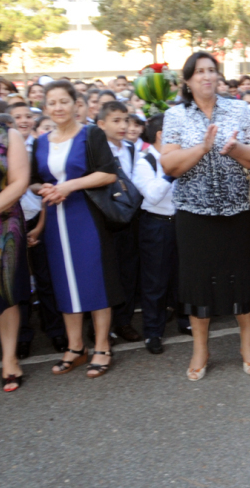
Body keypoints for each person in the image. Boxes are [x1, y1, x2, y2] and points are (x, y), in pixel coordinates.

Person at [161, 51, 250, 379]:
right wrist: (202, 149)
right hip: (194, 214)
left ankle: (248, 344)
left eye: (212, 71)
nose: (207, 76)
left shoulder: (237, 109)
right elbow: (169, 165)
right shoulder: (176, 116)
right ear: (188, 80)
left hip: (238, 209)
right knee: (197, 285)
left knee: (242, 278)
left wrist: (237, 150)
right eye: (200, 72)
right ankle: (200, 349)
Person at [30, 81, 122, 379]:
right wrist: (42, 187)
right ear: (46, 108)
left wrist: (70, 185)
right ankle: (75, 347)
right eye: (52, 103)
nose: (58, 107)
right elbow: (32, 180)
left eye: (63, 101)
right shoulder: (41, 141)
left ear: (75, 104)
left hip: (86, 217)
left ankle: (103, 346)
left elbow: (109, 174)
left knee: (95, 280)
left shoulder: (90, 134)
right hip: (56, 222)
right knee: (64, 281)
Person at [9, 102, 66, 359]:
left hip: (36, 221)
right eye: (16, 116)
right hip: (8, 224)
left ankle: (55, 331)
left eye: (27, 115)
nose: (23, 120)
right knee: (15, 284)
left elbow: (45, 188)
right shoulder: (5, 148)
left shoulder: (39, 147)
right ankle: (22, 336)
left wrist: (41, 225)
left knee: (46, 279)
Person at [132, 114, 188, 354]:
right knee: (155, 281)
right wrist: (172, 172)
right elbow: (153, 195)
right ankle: (153, 332)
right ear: (161, 135)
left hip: (184, 223)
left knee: (184, 277)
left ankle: (186, 320)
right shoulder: (145, 162)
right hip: (156, 226)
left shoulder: (184, 157)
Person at [96, 101, 141, 342]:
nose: (123, 126)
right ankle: (102, 326)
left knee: (128, 271)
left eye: (126, 120)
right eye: (116, 121)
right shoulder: (94, 150)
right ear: (101, 124)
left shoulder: (131, 149)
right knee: (105, 273)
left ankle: (124, 321)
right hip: (104, 219)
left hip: (129, 218)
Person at [0, 120, 31, 392]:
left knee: (5, 293)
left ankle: (9, 358)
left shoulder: (9, 136)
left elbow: (20, 182)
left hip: (4, 224)